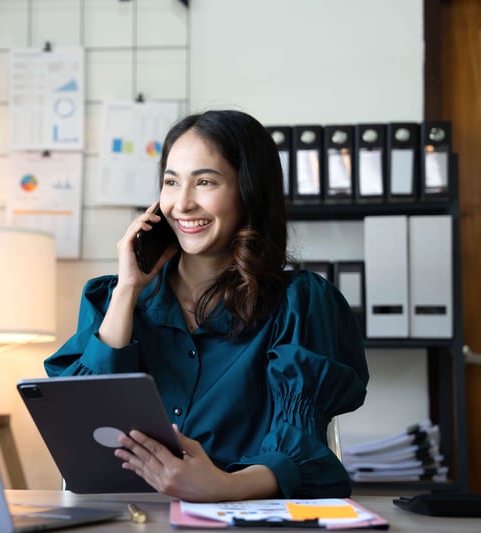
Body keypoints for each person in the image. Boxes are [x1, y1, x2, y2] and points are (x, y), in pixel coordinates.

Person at [44, 109, 369, 502]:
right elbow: (79, 427)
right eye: (171, 182)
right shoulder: (113, 299)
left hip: (241, 517)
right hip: (125, 517)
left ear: (248, 191)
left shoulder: (300, 304)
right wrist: (129, 289)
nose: (182, 203)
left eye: (205, 182)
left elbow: (305, 455)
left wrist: (222, 486)